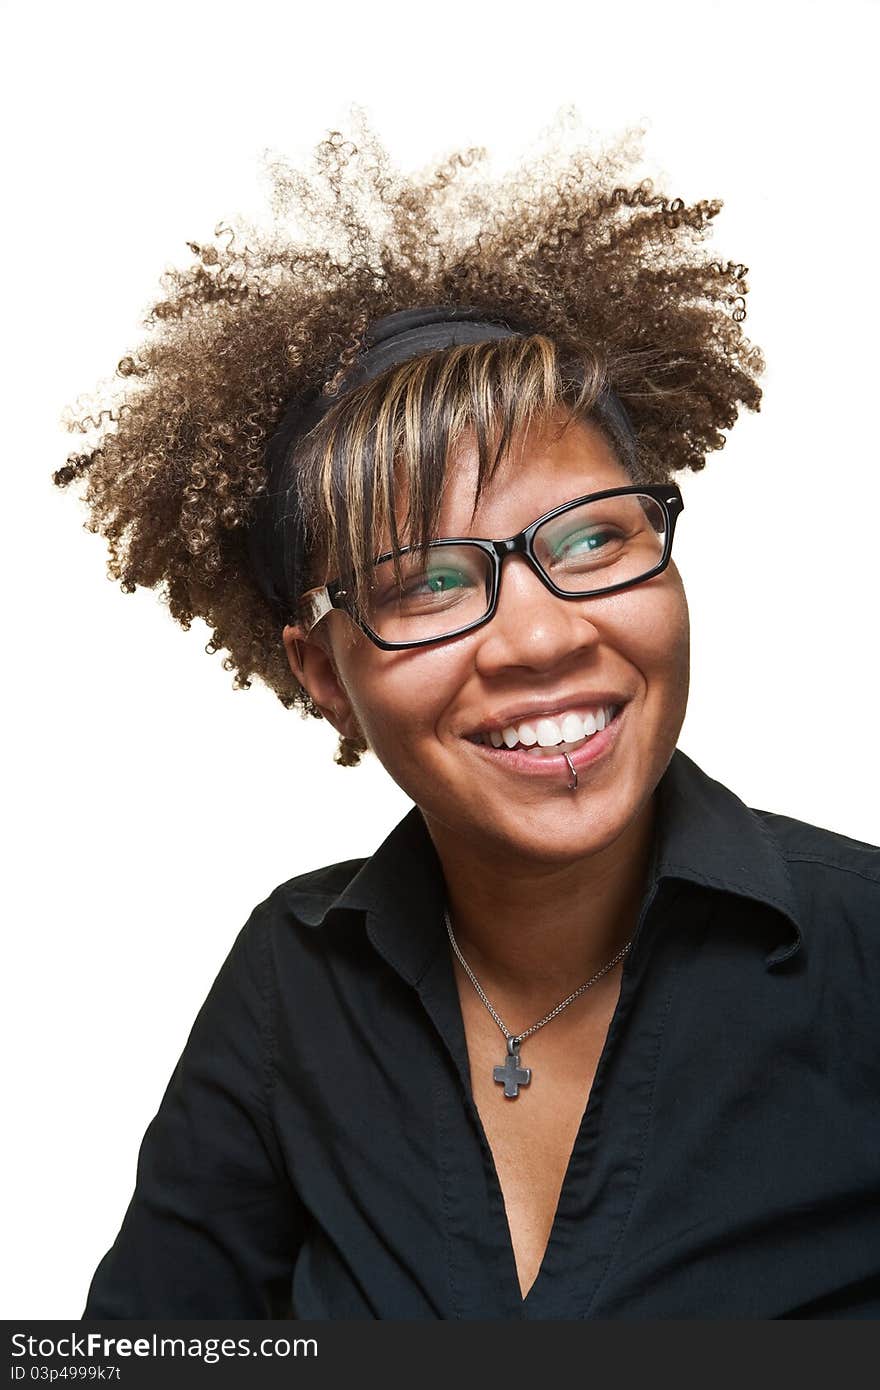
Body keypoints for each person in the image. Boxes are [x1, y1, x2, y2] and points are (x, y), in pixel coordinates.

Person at [58, 119, 880, 1319]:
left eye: (595, 538)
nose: (542, 635)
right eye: (428, 580)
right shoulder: (292, 982)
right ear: (322, 670)